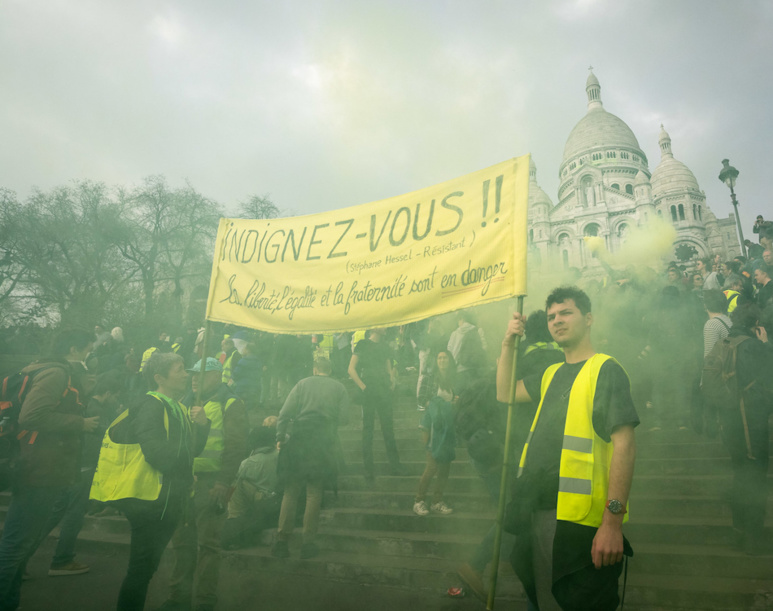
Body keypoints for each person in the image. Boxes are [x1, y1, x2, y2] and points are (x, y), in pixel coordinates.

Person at [497, 286, 638, 611]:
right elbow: (505, 392)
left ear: (588, 319)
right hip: (541, 513)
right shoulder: (551, 374)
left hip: (585, 526)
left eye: (566, 313)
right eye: (551, 317)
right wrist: (507, 344)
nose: (557, 321)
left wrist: (612, 523)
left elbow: (625, 447)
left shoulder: (606, 369)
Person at [90, 352, 210, 611]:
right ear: (159, 377)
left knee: (146, 569)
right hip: (149, 501)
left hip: (169, 499)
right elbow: (157, 454)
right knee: (140, 571)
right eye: (179, 369)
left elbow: (192, 451)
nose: (186, 374)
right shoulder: (151, 404)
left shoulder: (177, 406)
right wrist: (184, 470)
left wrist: (203, 425)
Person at [0, 328, 98, 611]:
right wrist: (81, 423)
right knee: (15, 544)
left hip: (35, 465)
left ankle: (10, 602)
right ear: (73, 350)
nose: (90, 356)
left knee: (19, 544)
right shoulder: (56, 373)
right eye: (88, 349)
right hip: (40, 469)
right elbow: (32, 416)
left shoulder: (39, 368)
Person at [159, 357, 248, 611]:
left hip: (212, 483)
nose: (195, 377)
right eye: (192, 373)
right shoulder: (184, 401)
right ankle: (178, 599)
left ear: (218, 374)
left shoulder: (230, 403)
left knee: (208, 546)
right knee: (181, 543)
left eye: (202, 372)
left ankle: (204, 602)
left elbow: (236, 447)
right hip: (184, 481)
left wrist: (223, 481)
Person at [32, 370, 123, 577]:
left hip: (71, 465)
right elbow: (100, 438)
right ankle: (62, 560)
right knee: (74, 513)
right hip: (83, 467)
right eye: (116, 395)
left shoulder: (86, 404)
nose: (117, 400)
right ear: (108, 392)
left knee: (56, 512)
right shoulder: (96, 409)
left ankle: (21, 558)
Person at [272, 358, 349, 559]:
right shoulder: (339, 387)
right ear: (330, 370)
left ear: (315, 370)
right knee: (314, 493)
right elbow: (345, 418)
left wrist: (280, 436)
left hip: (300, 438)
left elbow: (284, 413)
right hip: (324, 441)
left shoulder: (302, 384)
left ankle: (281, 542)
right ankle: (308, 543)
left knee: (291, 492)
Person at [719, 303, 773, 554]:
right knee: (756, 478)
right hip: (751, 423)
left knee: (740, 474)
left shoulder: (726, 342)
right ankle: (753, 538)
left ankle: (738, 532)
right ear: (756, 325)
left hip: (730, 422)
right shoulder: (752, 346)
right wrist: (766, 346)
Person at [348, 328, 404, 481]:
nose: (385, 328)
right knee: (368, 429)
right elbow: (351, 368)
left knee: (388, 429)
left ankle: (395, 466)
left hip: (383, 389)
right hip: (369, 389)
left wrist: (392, 381)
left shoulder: (385, 346)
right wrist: (363, 386)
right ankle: (368, 469)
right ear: (374, 328)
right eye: (382, 326)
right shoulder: (363, 344)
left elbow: (388, 367)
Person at [222, 426, 281, 550]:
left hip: (258, 501)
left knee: (235, 484)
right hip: (277, 501)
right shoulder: (280, 456)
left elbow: (233, 487)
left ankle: (233, 517)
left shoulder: (248, 463)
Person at [413, 351, 457, 516]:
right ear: (436, 361)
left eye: (445, 357)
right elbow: (422, 399)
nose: (442, 360)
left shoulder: (453, 379)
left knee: (445, 468)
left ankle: (437, 501)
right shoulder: (429, 377)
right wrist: (441, 406)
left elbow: (454, 401)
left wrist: (454, 402)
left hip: (448, 427)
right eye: (439, 357)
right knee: (432, 467)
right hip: (433, 426)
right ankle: (419, 500)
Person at [447, 310, 488, 391]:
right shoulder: (478, 330)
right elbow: (485, 348)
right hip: (474, 370)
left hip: (459, 372)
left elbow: (449, 353)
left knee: (461, 398)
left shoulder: (454, 334)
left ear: (461, 318)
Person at [703, 290, 732, 357]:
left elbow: (710, 355)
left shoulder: (711, 324)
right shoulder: (727, 319)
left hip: (722, 366)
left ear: (705, 306)